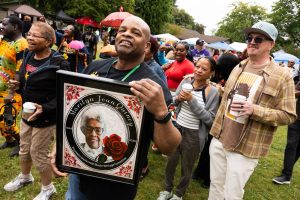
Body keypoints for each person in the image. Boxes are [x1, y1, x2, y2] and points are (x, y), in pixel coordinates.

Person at [57, 16, 182, 200]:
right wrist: (61, 146)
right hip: (80, 172)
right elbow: (73, 111)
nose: (126, 34)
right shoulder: (95, 66)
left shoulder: (153, 85)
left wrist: (161, 113)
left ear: (147, 46)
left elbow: (169, 147)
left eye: (135, 33)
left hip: (115, 186)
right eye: (122, 30)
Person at [208, 21, 296, 200]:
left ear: (271, 44)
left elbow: (288, 115)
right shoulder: (239, 66)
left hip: (246, 148)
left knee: (232, 195)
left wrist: (255, 110)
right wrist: (211, 86)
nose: (252, 41)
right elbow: (229, 97)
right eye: (249, 38)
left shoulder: (282, 76)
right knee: (216, 187)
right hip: (220, 138)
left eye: (259, 38)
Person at [3, 21, 69, 200]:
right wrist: (17, 86)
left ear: (48, 41)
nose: (30, 37)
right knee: (24, 148)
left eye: (35, 35)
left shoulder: (58, 63)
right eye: (29, 33)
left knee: (38, 154)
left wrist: (45, 108)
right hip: (27, 113)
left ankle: (48, 188)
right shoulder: (28, 55)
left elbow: (66, 94)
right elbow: (26, 81)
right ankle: (25, 177)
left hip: (46, 118)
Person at [157, 57, 219, 200]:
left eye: (204, 69)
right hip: (176, 129)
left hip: (194, 135)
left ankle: (179, 194)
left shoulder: (212, 92)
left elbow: (210, 120)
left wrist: (192, 100)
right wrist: (178, 99)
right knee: (170, 162)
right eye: (197, 66)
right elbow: (172, 104)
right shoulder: (185, 82)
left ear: (212, 73)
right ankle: (167, 190)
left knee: (187, 167)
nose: (198, 70)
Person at [0, 16, 28, 157]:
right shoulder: (6, 41)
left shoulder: (21, 43)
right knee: (1, 119)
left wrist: (11, 91)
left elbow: (20, 69)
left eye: (5, 24)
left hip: (11, 90)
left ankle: (21, 143)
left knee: (7, 118)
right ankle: (9, 141)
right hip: (2, 87)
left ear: (15, 27)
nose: (1, 26)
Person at [272, 80, 300, 185]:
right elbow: (293, 93)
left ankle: (288, 169)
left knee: (298, 148)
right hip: (297, 119)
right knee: (291, 145)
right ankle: (286, 175)